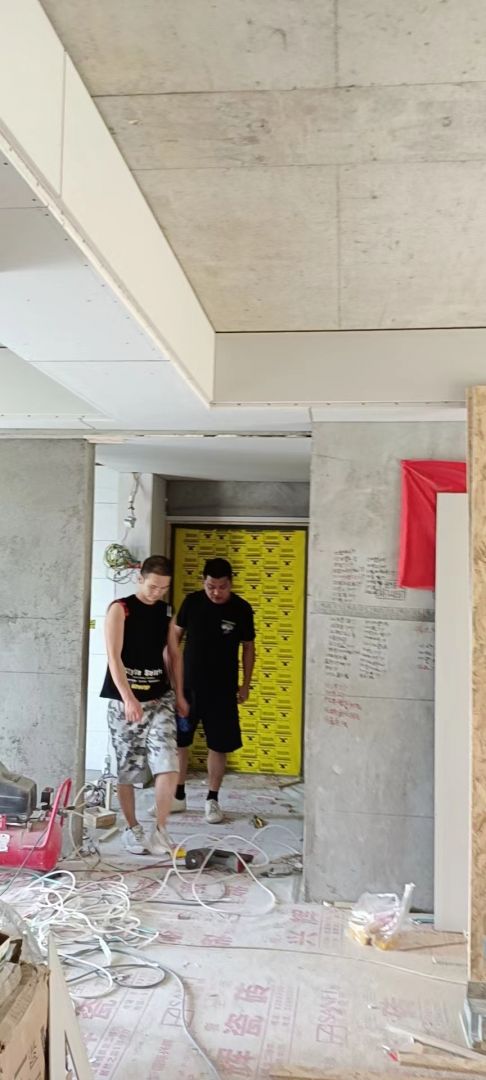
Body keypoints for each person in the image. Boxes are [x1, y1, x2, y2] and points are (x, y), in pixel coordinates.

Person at [100, 554, 185, 855]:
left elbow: (173, 654)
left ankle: (160, 830)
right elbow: (114, 657)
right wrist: (128, 698)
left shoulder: (166, 611)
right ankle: (132, 827)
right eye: (152, 587)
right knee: (129, 769)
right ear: (140, 579)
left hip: (159, 698)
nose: (157, 593)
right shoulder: (120, 609)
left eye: (163, 588)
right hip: (125, 701)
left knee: (168, 762)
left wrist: (180, 693)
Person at [168, 557, 256, 824]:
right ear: (203, 582)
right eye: (211, 587)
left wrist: (245, 684)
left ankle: (212, 799)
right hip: (188, 689)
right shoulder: (192, 602)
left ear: (231, 583)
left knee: (219, 745)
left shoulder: (241, 608)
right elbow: (173, 638)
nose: (216, 592)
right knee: (180, 742)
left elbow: (248, 648)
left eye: (222, 587)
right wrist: (172, 682)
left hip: (222, 691)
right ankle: (177, 796)